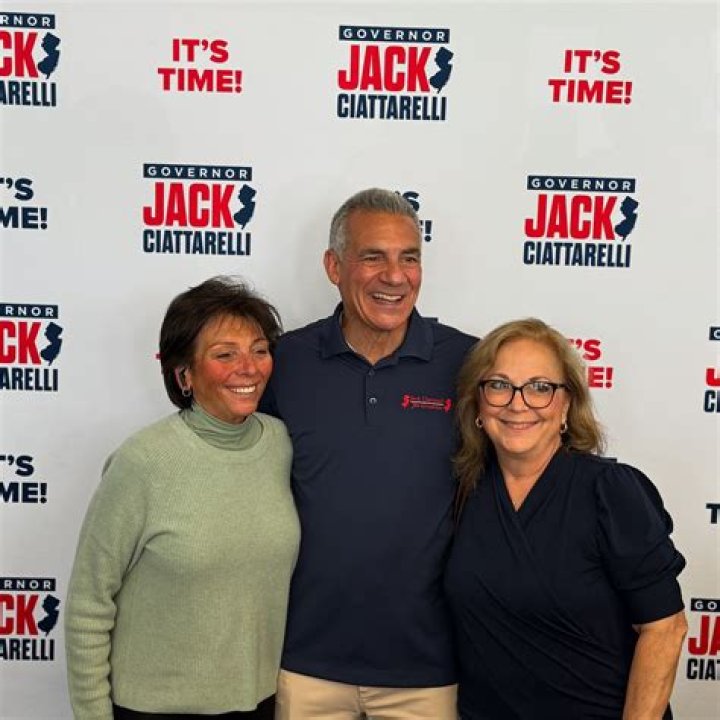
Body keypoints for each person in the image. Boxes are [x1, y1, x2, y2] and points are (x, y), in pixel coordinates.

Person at [260, 188, 476, 719]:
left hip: (427, 671)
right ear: (334, 266)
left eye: (410, 258)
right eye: (373, 257)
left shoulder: (468, 362)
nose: (395, 276)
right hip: (303, 664)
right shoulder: (284, 362)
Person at [65, 276, 300, 720]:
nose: (248, 368)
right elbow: (88, 606)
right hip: (153, 709)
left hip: (257, 704)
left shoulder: (282, 445)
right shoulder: (143, 462)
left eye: (259, 350)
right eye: (225, 354)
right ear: (184, 375)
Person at [445, 318, 687, 720]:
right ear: (478, 405)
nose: (518, 404)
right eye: (499, 385)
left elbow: (665, 628)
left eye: (540, 387)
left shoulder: (610, 491)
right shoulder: (463, 491)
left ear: (566, 405)